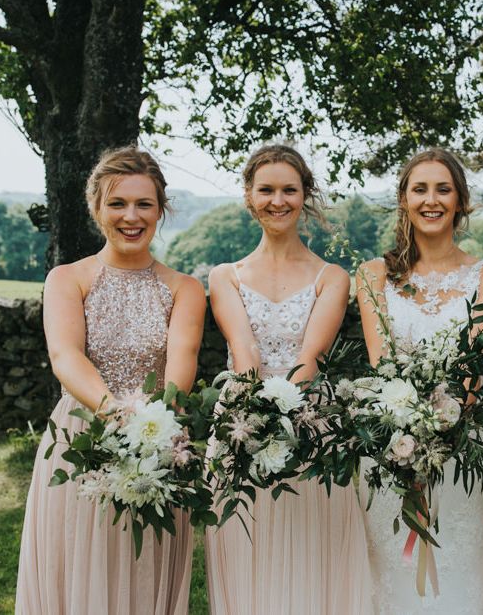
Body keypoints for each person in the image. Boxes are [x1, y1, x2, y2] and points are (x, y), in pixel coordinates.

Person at [16, 147, 206, 614]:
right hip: (80, 437)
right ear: (96, 208)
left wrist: (153, 423)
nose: (131, 216)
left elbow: (181, 363)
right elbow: (65, 356)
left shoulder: (184, 288)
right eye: (117, 203)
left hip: (158, 438)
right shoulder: (68, 278)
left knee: (143, 566)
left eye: (144, 204)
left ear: (161, 210)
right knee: (77, 567)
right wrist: (117, 416)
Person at [204, 144, 372, 614]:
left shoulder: (332, 276)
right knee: (247, 544)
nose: (278, 201)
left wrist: (286, 420)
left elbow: (310, 358)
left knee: (312, 546)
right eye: (266, 190)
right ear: (248, 196)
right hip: (242, 417)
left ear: (305, 196)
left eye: (289, 190)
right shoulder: (224, 276)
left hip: (312, 423)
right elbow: (244, 352)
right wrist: (254, 422)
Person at [357, 148, 483, 614]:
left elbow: (475, 368)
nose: (431, 199)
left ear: (461, 201)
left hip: (464, 445)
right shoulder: (372, 276)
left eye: (443, 189)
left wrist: (439, 429)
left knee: (460, 559)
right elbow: (383, 364)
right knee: (394, 566)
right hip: (389, 444)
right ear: (403, 199)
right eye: (419, 189)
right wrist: (408, 429)